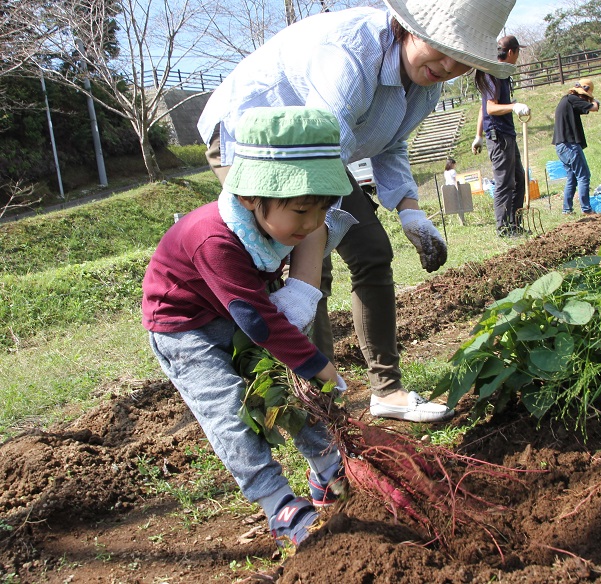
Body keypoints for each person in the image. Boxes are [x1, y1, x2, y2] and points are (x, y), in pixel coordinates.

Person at [197, 0, 517, 423]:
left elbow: (390, 143)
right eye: (440, 47)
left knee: (371, 251)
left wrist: (409, 210)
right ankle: (320, 403)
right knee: (307, 264)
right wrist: (304, 283)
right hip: (252, 140)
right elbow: (313, 183)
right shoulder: (350, 55)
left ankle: (387, 390)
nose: (447, 65)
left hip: (321, 150)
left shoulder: (426, 82)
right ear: (409, 27)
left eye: (463, 60)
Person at [143, 107, 354, 550]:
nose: (313, 224)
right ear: (248, 199)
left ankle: (329, 467)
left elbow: (258, 309)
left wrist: (305, 369)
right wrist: (320, 365)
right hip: (186, 330)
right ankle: (278, 503)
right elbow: (258, 321)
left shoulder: (280, 225)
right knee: (230, 412)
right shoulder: (214, 238)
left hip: (235, 310)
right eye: (301, 211)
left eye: (321, 210)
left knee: (287, 392)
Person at [471, 35, 530, 236]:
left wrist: (477, 135)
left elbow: (482, 109)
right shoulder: (493, 74)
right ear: (511, 52)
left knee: (519, 179)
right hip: (499, 136)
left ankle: (515, 224)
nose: (517, 56)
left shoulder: (502, 74)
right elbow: (490, 107)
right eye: (518, 52)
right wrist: (513, 106)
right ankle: (504, 229)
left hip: (506, 134)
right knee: (505, 183)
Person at [551, 78, 600, 214]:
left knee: (572, 177)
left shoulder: (567, 101)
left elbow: (583, 110)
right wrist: (595, 102)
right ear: (582, 94)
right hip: (569, 145)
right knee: (584, 175)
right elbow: (594, 108)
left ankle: (567, 210)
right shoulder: (573, 99)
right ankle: (586, 209)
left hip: (561, 146)